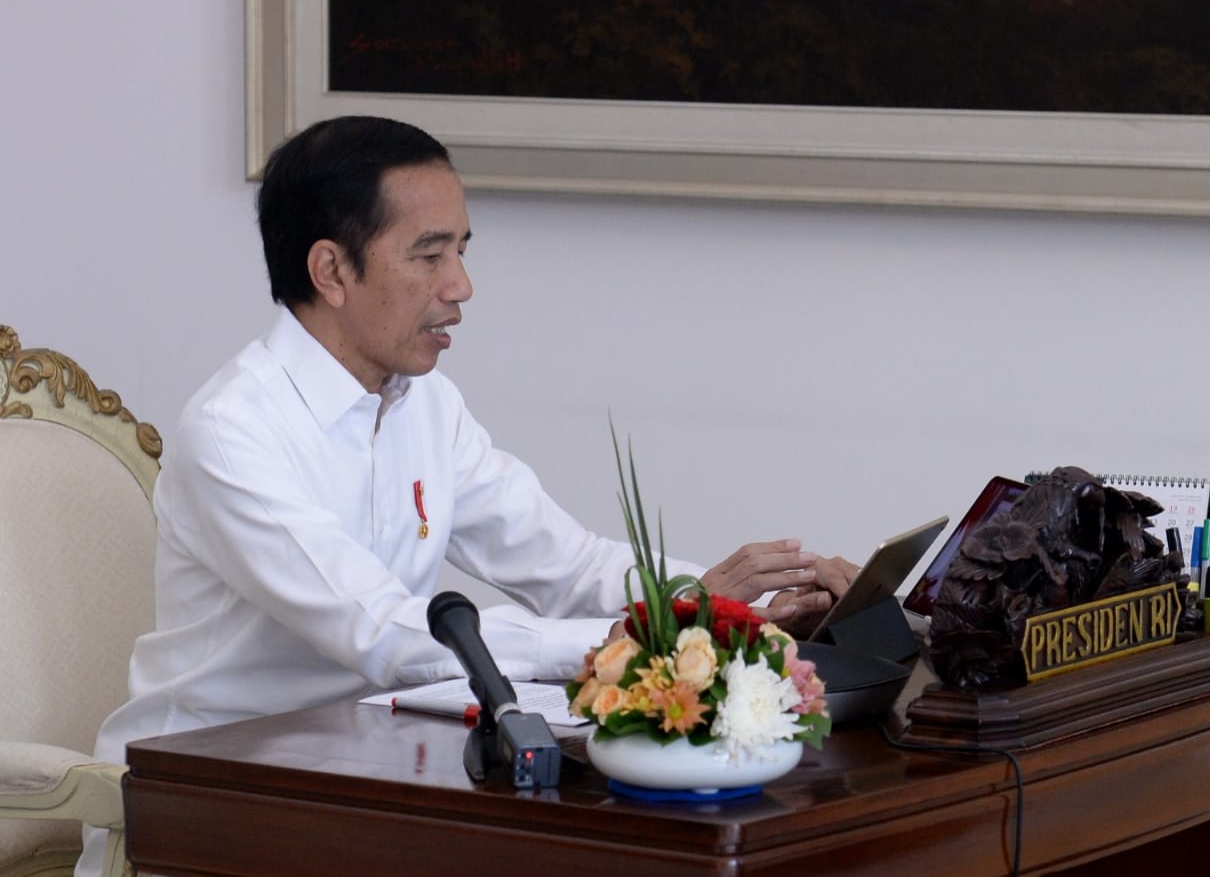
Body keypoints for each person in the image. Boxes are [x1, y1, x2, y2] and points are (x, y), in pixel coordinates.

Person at [76, 116, 855, 875]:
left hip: (366, 771)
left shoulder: (425, 403)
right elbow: (387, 632)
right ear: (331, 271)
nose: (461, 285)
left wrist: (721, 611)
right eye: (429, 254)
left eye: (462, 250)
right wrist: (639, 635)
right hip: (206, 795)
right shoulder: (234, 431)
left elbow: (566, 563)